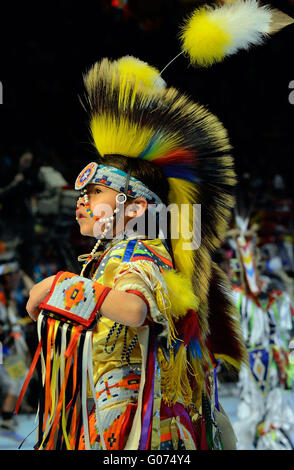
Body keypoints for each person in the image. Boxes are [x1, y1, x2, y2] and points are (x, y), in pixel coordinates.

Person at [17, 0, 292, 450]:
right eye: (81, 193)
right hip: (108, 422)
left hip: (139, 432)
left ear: (136, 209)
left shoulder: (142, 254)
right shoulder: (108, 257)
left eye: (95, 193)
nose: (81, 201)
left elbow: (134, 310)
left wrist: (60, 287)